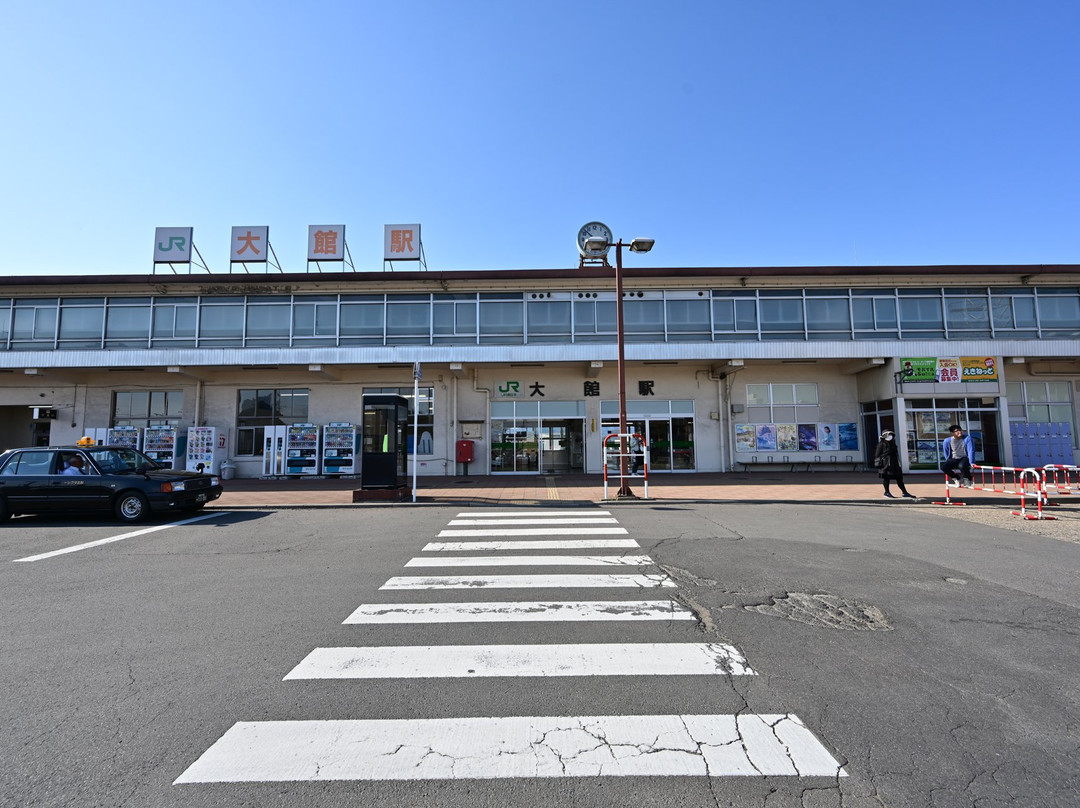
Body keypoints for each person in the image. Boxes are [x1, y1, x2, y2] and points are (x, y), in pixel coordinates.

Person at [874, 430, 916, 499]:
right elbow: (877, 455)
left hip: (895, 464)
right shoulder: (881, 444)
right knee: (886, 478)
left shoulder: (893, 443)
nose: (890, 437)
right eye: (889, 435)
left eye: (891, 435)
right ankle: (887, 492)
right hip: (886, 464)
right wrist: (886, 454)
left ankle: (904, 492)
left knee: (899, 478)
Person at [941, 424, 975, 488]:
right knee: (944, 467)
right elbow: (946, 451)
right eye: (957, 431)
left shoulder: (967, 438)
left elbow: (971, 450)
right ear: (952, 433)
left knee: (962, 466)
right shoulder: (947, 441)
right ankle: (957, 479)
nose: (959, 432)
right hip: (955, 458)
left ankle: (968, 479)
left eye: (960, 430)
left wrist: (972, 462)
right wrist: (948, 461)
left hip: (965, 457)